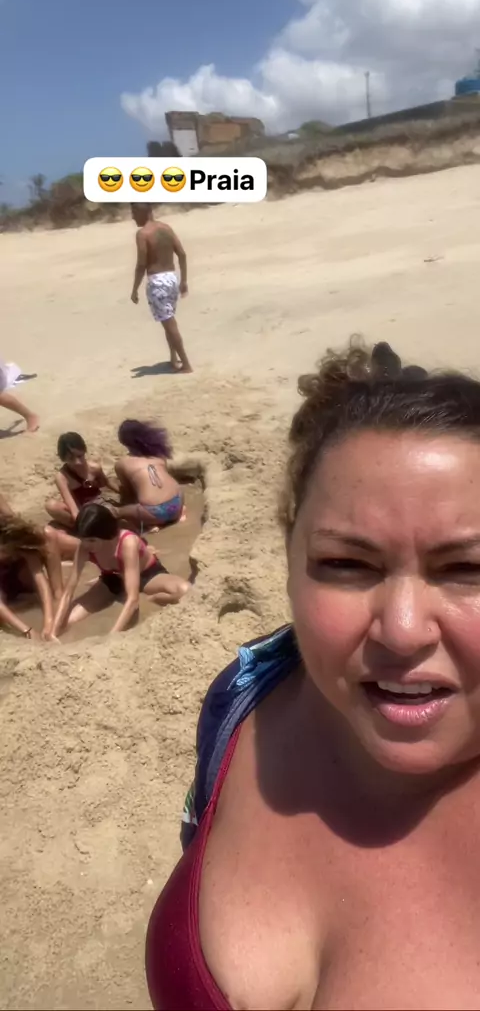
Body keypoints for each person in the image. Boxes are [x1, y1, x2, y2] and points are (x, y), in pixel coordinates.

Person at [146, 336, 480, 1011]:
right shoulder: (246, 694)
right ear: (291, 560)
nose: (402, 629)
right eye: (347, 564)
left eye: (468, 568)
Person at [51, 502, 189, 638]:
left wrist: (111, 638)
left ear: (107, 534)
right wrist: (52, 631)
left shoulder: (127, 542)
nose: (86, 545)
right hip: (112, 578)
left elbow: (133, 599)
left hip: (146, 575)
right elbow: (68, 592)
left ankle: (151, 599)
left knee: (184, 591)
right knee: (66, 621)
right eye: (83, 539)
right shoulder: (84, 547)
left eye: (92, 540)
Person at [130, 202, 193, 374]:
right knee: (168, 321)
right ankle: (173, 358)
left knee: (170, 324)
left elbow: (141, 264)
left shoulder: (143, 234)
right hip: (171, 278)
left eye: (135, 212)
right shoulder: (166, 228)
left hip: (157, 282)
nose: (133, 217)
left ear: (145, 212)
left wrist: (134, 289)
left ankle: (186, 364)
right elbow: (182, 254)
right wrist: (183, 280)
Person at [45, 431, 118, 554]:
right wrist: (83, 522)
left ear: (84, 451)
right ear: (63, 459)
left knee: (111, 512)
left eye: (80, 456)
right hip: (79, 509)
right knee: (51, 506)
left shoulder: (94, 468)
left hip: (97, 505)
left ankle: (85, 532)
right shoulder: (62, 477)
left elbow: (106, 483)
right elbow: (72, 507)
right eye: (71, 459)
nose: (77, 462)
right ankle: (86, 532)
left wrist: (124, 493)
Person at [0, 513, 63, 640]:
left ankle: (25, 601)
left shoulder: (20, 545)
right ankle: (21, 604)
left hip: (16, 573)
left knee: (50, 596)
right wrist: (27, 630)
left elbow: (40, 579)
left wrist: (48, 623)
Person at [113, 419, 184, 530]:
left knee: (116, 512)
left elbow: (128, 492)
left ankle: (151, 523)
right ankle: (175, 517)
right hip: (178, 501)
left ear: (123, 441)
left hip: (155, 511)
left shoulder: (122, 463)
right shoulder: (158, 455)